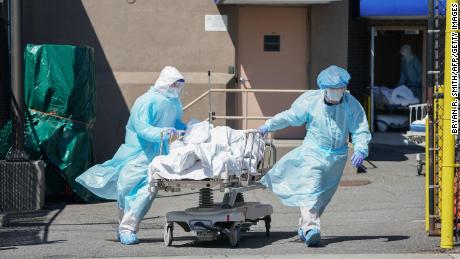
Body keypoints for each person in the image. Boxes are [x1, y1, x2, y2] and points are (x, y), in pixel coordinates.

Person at [258, 65, 371, 247]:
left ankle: (304, 227)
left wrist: (360, 149)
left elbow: (360, 129)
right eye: (332, 89)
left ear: (344, 88)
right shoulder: (311, 101)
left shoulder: (351, 104)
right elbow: (291, 116)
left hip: (337, 157)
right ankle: (312, 228)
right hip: (314, 152)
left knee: (323, 196)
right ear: (324, 88)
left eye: (339, 89)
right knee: (311, 189)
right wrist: (269, 125)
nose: (336, 93)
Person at [76, 66, 187, 245]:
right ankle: (123, 226)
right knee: (126, 189)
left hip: (158, 155)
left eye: (179, 84)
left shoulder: (174, 104)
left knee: (147, 191)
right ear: (166, 82)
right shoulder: (147, 101)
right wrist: (161, 132)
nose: (176, 88)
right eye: (174, 84)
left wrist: (185, 129)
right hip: (138, 153)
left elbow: (175, 123)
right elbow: (141, 127)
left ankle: (128, 228)